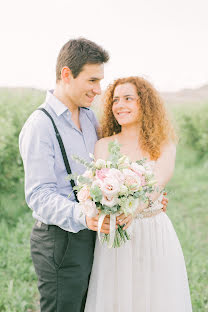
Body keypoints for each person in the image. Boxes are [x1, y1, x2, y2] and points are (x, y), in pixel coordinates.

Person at [19, 38, 168, 312]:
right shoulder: (39, 126)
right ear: (66, 74)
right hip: (60, 241)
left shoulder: (89, 118)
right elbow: (39, 196)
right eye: (92, 80)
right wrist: (84, 216)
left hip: (94, 238)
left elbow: (113, 166)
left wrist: (144, 197)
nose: (99, 90)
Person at [84, 77, 192, 312]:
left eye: (128, 98)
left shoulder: (163, 144)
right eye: (115, 100)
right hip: (115, 236)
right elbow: (96, 186)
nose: (119, 105)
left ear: (145, 103)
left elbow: (157, 185)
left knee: (154, 298)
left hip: (152, 231)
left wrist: (134, 208)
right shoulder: (103, 145)